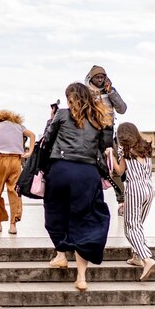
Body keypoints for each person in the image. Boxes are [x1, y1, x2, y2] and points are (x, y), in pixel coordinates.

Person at [43, 82, 111, 291]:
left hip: (61, 169)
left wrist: (51, 118)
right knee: (86, 219)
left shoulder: (62, 115)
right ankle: (81, 277)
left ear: (70, 98)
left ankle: (61, 254)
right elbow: (104, 147)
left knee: (57, 212)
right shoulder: (99, 118)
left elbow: (47, 139)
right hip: (87, 173)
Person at [111, 122, 155, 281]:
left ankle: (147, 258)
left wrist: (110, 155)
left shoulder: (126, 151)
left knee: (130, 227)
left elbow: (119, 171)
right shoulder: (145, 147)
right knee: (138, 224)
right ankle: (137, 256)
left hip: (135, 189)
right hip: (149, 189)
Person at [0, 110, 35, 235]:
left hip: (1, 159)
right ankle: (13, 225)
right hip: (16, 161)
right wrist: (29, 152)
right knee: (14, 191)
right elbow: (32, 135)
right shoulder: (19, 127)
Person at [85, 65, 127, 215]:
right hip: (91, 135)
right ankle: (90, 201)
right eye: (98, 77)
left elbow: (122, 109)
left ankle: (121, 201)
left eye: (103, 77)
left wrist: (111, 93)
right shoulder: (85, 92)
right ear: (91, 78)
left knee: (115, 168)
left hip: (109, 134)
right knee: (91, 168)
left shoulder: (110, 91)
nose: (100, 80)